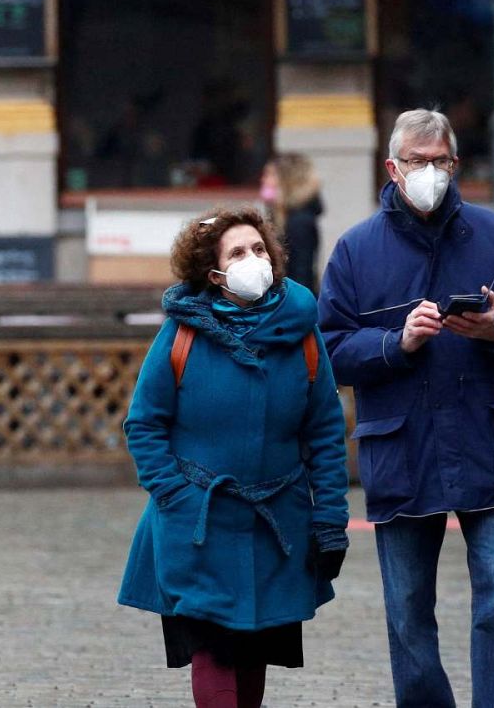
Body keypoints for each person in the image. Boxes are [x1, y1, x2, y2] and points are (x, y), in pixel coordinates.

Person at [317, 109, 494, 708]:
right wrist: (396, 343)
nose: (430, 172)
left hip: (488, 439)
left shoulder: (493, 234)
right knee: (406, 610)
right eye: (418, 162)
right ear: (393, 168)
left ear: (456, 164)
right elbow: (327, 352)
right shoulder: (355, 250)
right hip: (401, 451)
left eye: (440, 161)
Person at [118, 205, 351, 708]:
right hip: (200, 522)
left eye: (259, 248)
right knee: (215, 653)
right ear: (214, 272)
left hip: (276, 525)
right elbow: (144, 423)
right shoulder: (182, 334)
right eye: (238, 252)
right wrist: (176, 496)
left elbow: (327, 432)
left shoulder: (302, 333)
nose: (253, 259)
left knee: (252, 652)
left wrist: (330, 519)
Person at [261, 154, 323, 292]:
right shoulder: (281, 216)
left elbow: (302, 271)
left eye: (269, 175)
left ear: (287, 180)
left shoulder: (299, 222)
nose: (264, 180)